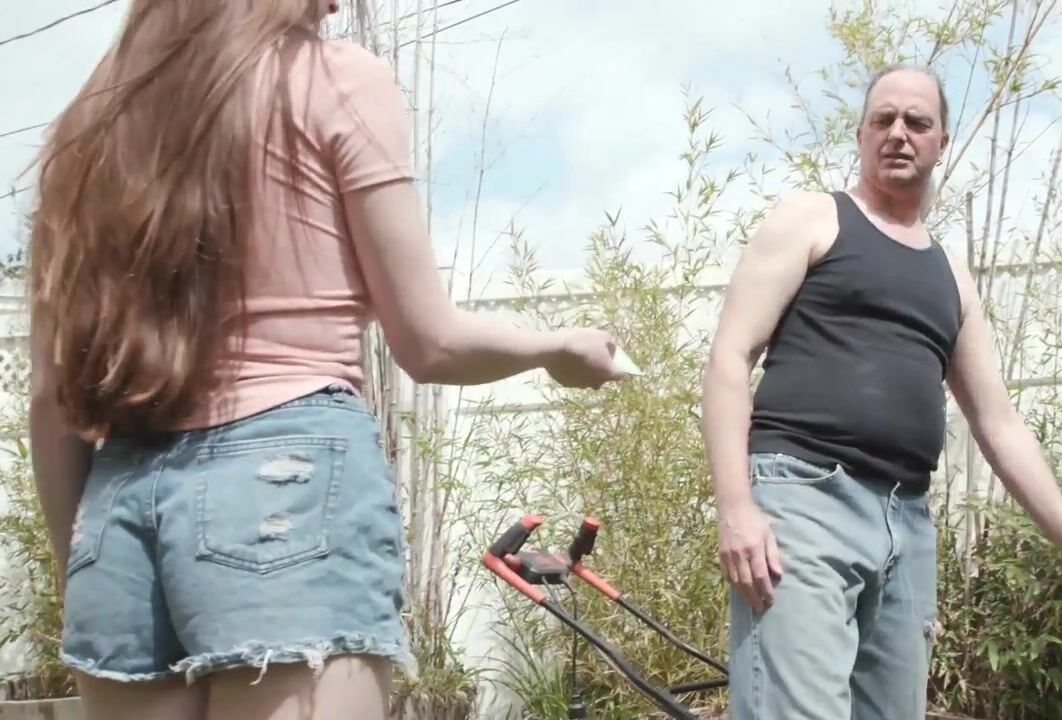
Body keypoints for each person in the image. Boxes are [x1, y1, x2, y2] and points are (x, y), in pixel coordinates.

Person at [25, 2, 622, 719]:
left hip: (115, 506)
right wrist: (555, 348)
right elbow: (430, 343)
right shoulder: (334, 79)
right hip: (286, 480)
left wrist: (83, 567)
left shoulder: (89, 128)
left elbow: (50, 398)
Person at [699, 64, 1062, 719]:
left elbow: (1000, 425)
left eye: (917, 121)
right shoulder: (812, 219)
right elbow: (729, 359)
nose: (898, 133)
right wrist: (736, 507)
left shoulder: (951, 277)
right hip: (802, 498)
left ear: (941, 142)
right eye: (883, 119)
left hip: (906, 522)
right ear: (860, 135)